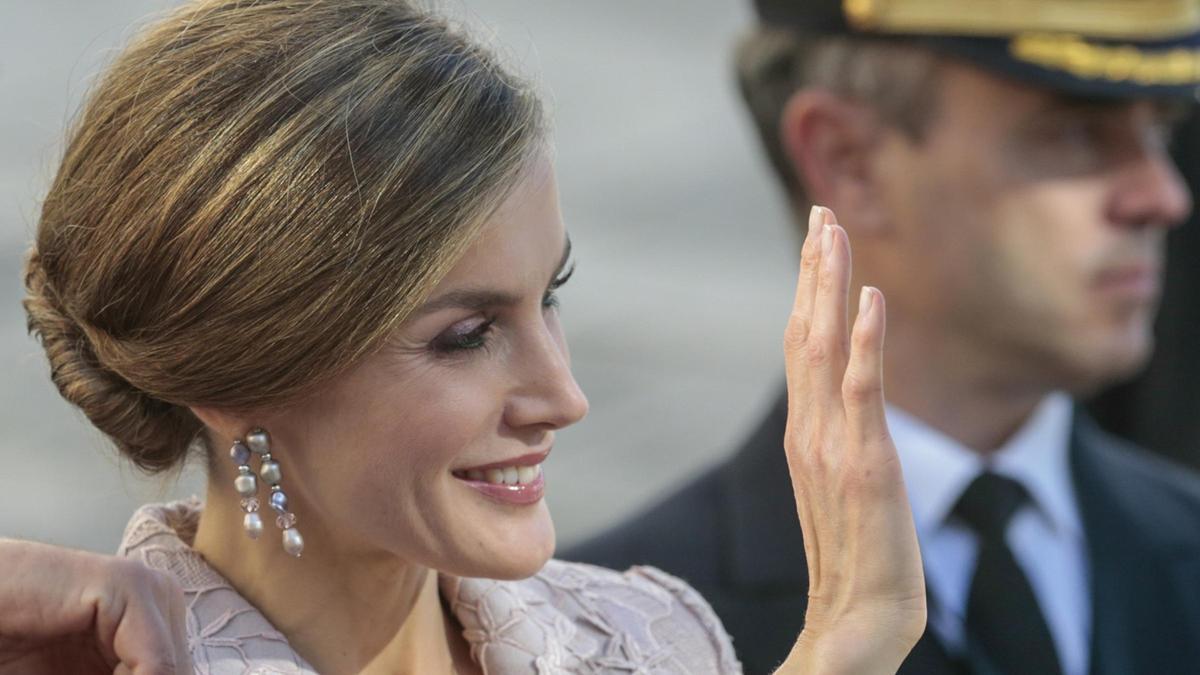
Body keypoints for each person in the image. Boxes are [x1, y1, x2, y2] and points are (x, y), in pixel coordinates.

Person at [17, 0, 925, 672]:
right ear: (236, 373)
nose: (564, 397)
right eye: (467, 335)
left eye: (551, 295)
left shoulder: (656, 641)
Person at [566, 1, 1200, 673]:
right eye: (1074, 134)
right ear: (849, 161)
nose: (1162, 196)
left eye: (1159, 132)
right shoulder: (601, 635)